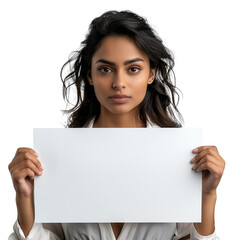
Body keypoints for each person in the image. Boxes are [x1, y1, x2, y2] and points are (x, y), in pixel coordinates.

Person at [8, 10, 225, 240]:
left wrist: (207, 195)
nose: (119, 83)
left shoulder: (178, 156)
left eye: (133, 69)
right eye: (105, 69)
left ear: (151, 74)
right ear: (90, 75)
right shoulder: (56, 156)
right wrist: (24, 198)